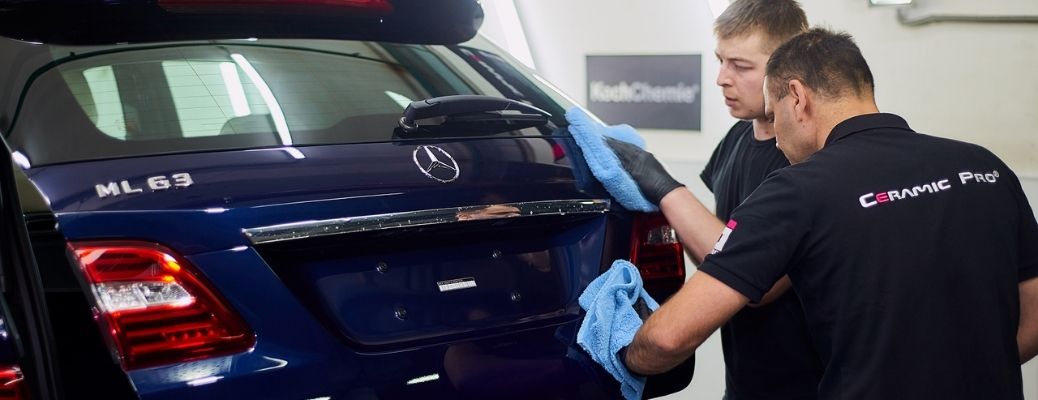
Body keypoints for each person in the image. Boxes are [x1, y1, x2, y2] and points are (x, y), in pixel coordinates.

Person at [616, 27, 1038, 398]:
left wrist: (620, 358)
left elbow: (669, 339)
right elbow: (1034, 314)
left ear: (797, 97)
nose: (776, 139)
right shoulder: (985, 166)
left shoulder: (796, 189)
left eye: (774, 113)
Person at [612, 1, 823, 398]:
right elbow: (718, 252)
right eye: (720, 61)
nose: (722, 79)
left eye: (741, 67)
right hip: (746, 382)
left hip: (807, 387)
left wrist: (666, 188)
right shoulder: (736, 140)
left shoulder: (806, 161)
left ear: (789, 74)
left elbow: (756, 281)